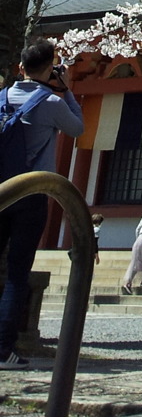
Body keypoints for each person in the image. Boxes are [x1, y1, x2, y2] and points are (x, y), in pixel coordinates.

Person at [0, 39, 84, 371]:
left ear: (20, 67)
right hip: (32, 195)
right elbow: (78, 128)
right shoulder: (50, 101)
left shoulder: (2, 98)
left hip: (1, 192)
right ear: (51, 67)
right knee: (18, 274)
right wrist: (67, 89)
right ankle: (4, 349)